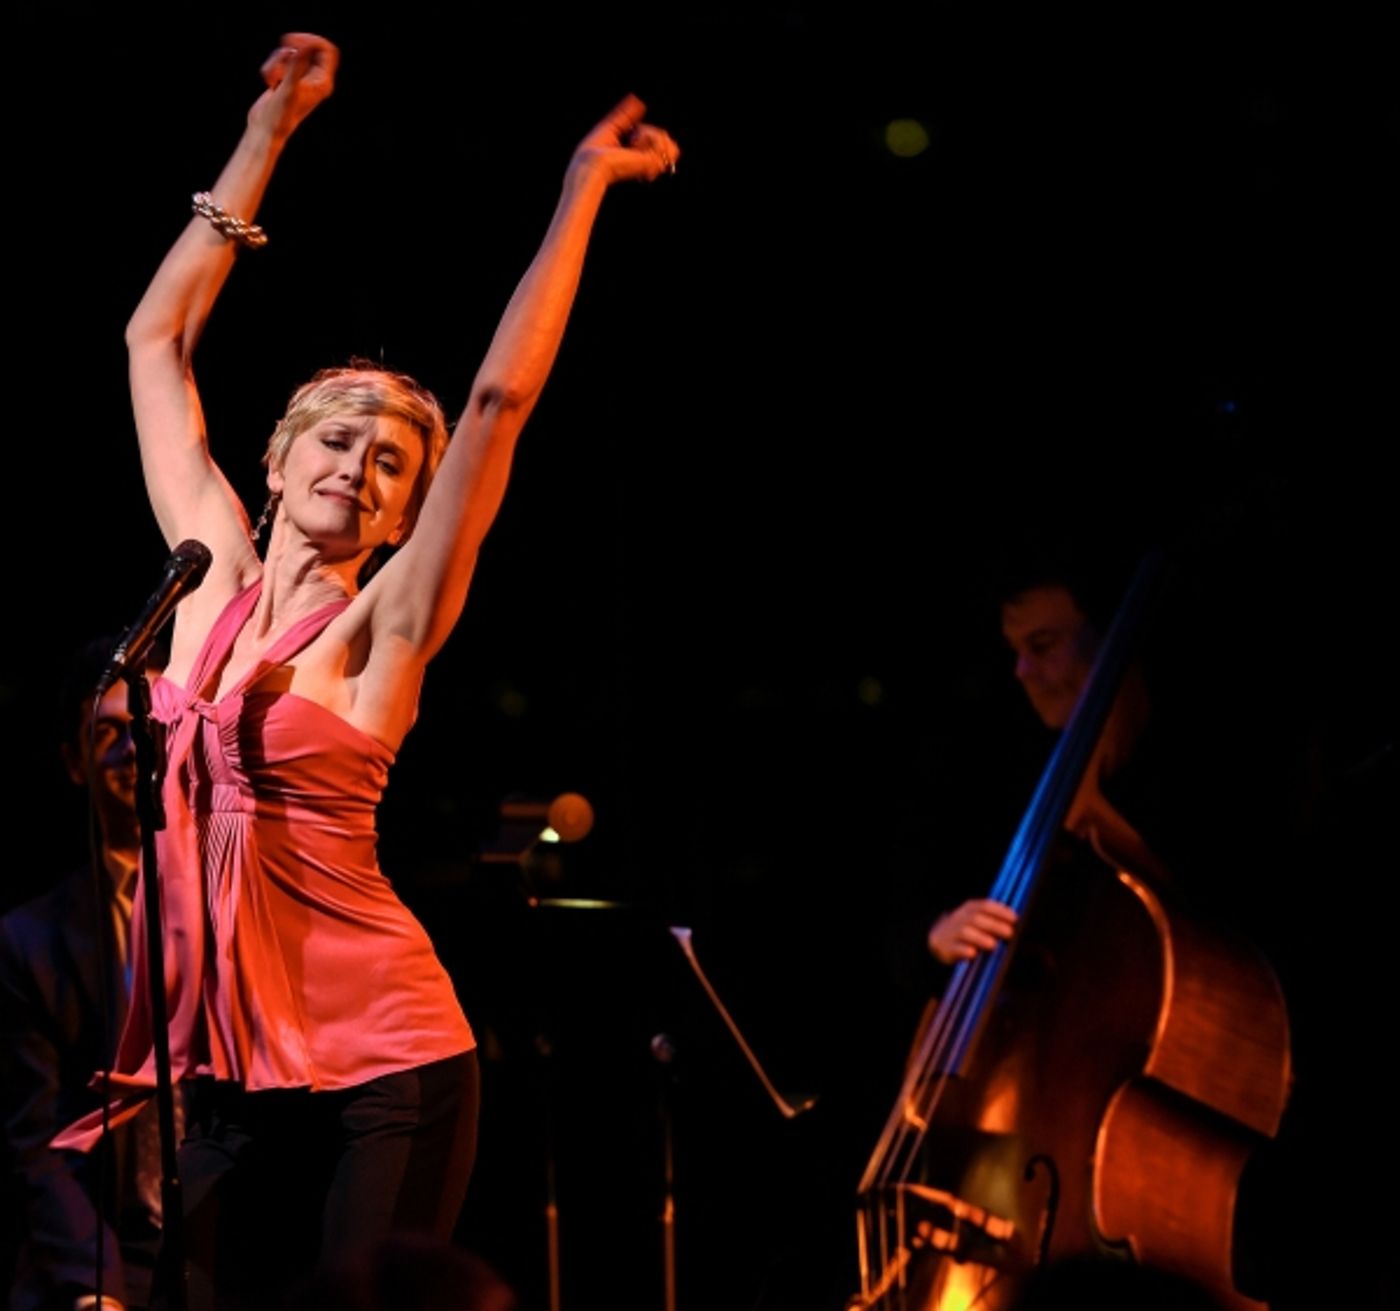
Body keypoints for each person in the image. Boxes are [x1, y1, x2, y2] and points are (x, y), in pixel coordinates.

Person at [49, 31, 679, 1310]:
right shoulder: (203, 574)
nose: (358, 467)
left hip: (383, 1066)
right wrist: (268, 129)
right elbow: (153, 346)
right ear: (275, 463)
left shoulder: (375, 629)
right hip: (214, 1062)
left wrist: (577, 190)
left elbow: (497, 406)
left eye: (390, 463)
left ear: (400, 515)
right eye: (336, 440)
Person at [0, 637, 166, 1311]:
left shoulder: (230, 903)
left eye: (150, 728)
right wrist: (95, 1287)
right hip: (94, 1257)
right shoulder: (29, 940)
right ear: (76, 762)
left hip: (217, 1248)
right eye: (109, 733)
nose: (133, 749)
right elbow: (35, 1140)